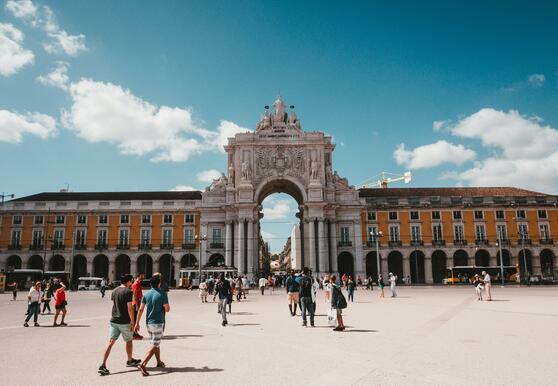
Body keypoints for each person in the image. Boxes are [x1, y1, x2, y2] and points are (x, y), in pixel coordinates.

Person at [98, 274, 141, 376]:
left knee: (110, 342)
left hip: (114, 320)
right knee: (129, 341)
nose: (132, 283)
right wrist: (133, 322)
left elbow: (115, 304)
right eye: (131, 281)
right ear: (128, 281)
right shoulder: (128, 292)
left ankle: (103, 364)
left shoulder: (115, 290)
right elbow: (130, 308)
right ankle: (130, 360)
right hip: (124, 321)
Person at [135, 273, 170, 376]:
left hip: (148, 323)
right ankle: (143, 364)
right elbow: (167, 309)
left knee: (155, 342)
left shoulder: (146, 294)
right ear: (159, 284)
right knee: (155, 344)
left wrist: (137, 323)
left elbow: (140, 310)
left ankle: (158, 362)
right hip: (158, 322)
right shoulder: (162, 293)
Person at [132, 272, 145, 340]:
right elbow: (135, 295)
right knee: (134, 319)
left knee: (136, 319)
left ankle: (135, 333)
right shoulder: (136, 283)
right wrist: (137, 305)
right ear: (139, 275)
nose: (143, 276)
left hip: (138, 302)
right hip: (136, 303)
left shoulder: (138, 283)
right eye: (142, 275)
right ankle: (133, 334)